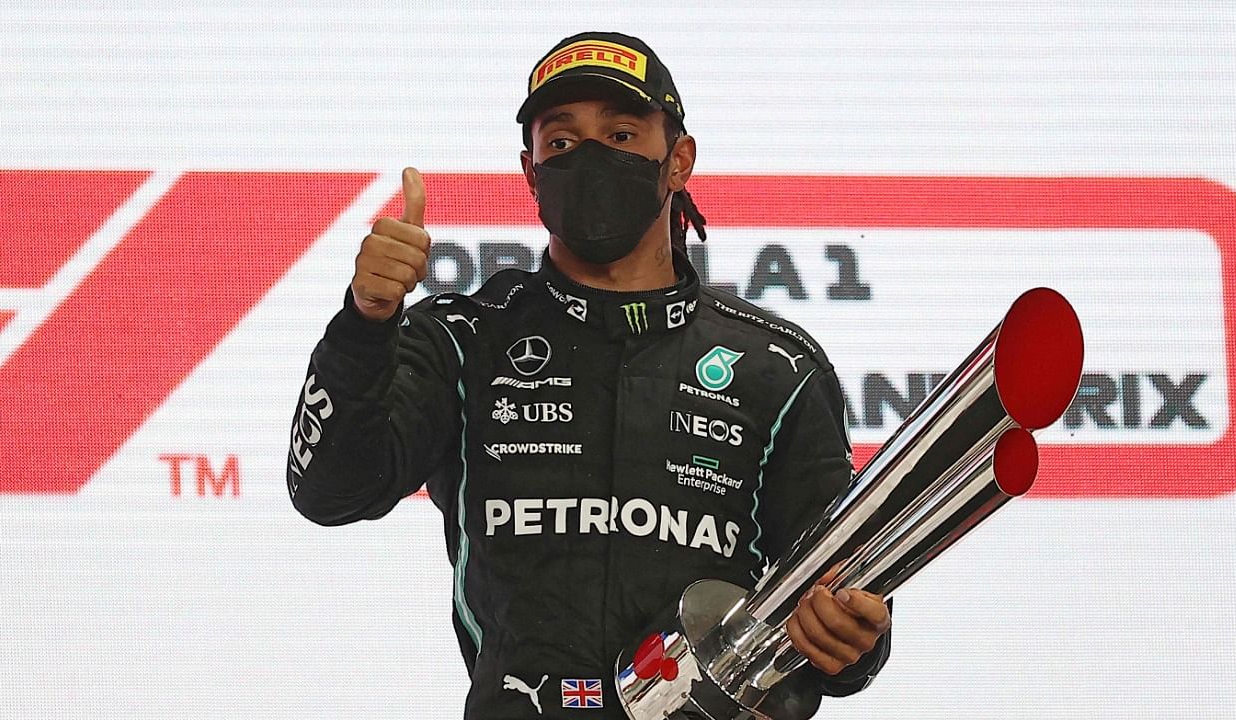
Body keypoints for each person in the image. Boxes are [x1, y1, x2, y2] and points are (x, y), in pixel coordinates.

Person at [287, 31, 891, 719]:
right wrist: (367, 320)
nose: (592, 157)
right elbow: (329, 491)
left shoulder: (776, 366)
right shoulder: (465, 339)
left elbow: (846, 607)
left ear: (678, 161)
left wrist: (854, 637)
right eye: (562, 144)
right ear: (530, 171)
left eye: (623, 133)